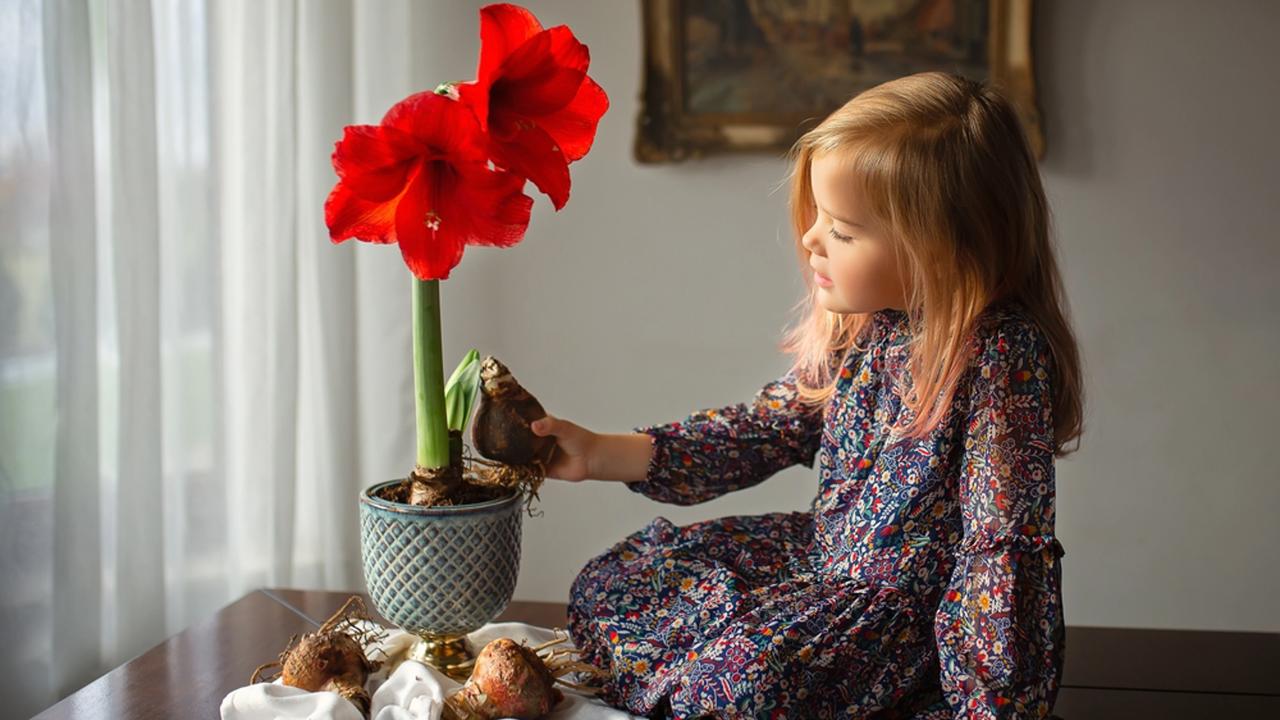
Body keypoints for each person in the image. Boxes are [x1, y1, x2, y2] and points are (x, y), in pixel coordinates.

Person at [530, 71, 1084, 719]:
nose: (810, 239)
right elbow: (762, 427)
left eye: (843, 232)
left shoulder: (998, 352)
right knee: (611, 586)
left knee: (739, 685)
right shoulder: (871, 321)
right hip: (820, 559)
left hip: (901, 615)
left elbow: (1002, 545)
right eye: (818, 216)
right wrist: (597, 453)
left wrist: (993, 704)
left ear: (942, 250)